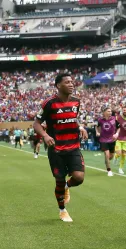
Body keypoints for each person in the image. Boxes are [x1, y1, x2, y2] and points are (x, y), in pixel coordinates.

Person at [33, 73, 88, 222]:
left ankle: (66, 186)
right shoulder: (48, 103)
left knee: (79, 177)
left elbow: (73, 118)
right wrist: (45, 135)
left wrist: (80, 127)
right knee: (58, 179)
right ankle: (62, 210)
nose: (71, 84)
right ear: (58, 85)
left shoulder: (76, 102)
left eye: (72, 81)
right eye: (67, 82)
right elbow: (36, 123)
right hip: (56, 149)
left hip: (73, 146)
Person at [96, 106, 117, 177]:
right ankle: (109, 170)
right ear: (104, 113)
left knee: (110, 156)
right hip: (103, 140)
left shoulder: (114, 119)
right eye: (108, 111)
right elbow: (97, 126)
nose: (110, 112)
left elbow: (119, 127)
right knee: (107, 154)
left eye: (110, 111)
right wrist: (97, 132)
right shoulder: (100, 120)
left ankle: (107, 161)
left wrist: (116, 134)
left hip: (112, 140)